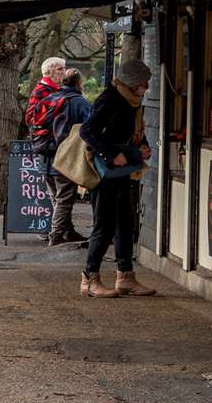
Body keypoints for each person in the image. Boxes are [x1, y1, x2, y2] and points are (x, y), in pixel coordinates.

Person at [79, 60, 155, 298]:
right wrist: (112, 154)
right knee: (105, 225)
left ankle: (125, 276)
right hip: (105, 173)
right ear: (132, 83)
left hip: (121, 172)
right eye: (143, 83)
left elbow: (131, 132)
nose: (146, 87)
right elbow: (87, 130)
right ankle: (89, 278)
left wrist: (142, 147)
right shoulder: (110, 98)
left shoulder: (132, 101)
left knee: (125, 222)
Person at [46, 68, 92, 248]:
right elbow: (91, 127)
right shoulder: (79, 102)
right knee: (65, 197)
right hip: (66, 156)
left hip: (46, 155)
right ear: (78, 83)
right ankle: (56, 235)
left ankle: (67, 230)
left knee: (56, 197)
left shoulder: (50, 99)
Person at [25, 56, 67, 145]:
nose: (64, 72)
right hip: (46, 141)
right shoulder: (42, 90)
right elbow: (29, 118)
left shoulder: (56, 89)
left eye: (64, 68)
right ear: (49, 72)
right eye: (60, 69)